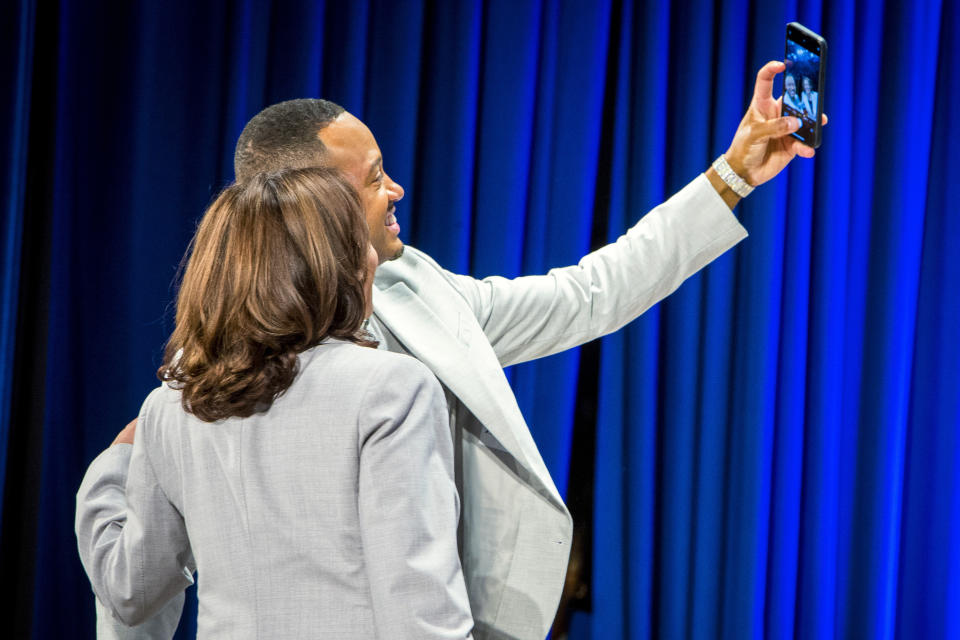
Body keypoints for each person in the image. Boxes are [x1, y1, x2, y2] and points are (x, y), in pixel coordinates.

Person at [81, 60, 826, 640]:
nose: (396, 188)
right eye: (373, 179)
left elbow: (589, 294)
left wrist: (732, 177)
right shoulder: (227, 386)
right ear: (312, 204)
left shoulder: (415, 294)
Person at [75, 168, 474, 639]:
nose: (372, 258)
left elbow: (130, 589)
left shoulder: (172, 406)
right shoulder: (391, 386)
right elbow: (419, 606)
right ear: (336, 266)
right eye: (359, 243)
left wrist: (116, 463)